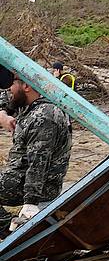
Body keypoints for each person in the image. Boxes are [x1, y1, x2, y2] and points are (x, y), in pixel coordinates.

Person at [0, 67, 72, 224]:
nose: (8, 90)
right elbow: (5, 100)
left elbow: (38, 164)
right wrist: (3, 115)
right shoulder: (30, 103)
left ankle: (6, 227)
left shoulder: (43, 116)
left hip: (39, 187)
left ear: (26, 86)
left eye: (11, 84)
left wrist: (30, 203)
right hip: (19, 176)